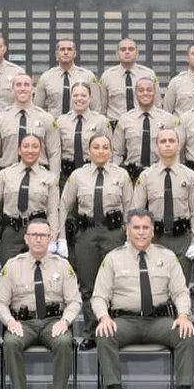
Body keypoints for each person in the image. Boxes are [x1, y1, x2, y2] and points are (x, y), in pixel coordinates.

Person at [91, 209, 194, 389]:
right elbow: (98, 297)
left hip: (159, 321)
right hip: (125, 321)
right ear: (127, 230)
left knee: (186, 334)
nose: (141, 233)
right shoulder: (113, 259)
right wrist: (104, 317)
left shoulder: (167, 257)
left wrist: (184, 315)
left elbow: (180, 292)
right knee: (104, 335)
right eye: (136, 228)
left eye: (145, 228)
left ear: (153, 231)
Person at [0, 218, 81, 389]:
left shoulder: (63, 265)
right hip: (23, 323)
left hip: (53, 321)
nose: (38, 239)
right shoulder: (13, 266)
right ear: (26, 238)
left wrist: (65, 321)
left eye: (43, 235)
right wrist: (9, 322)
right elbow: (0, 302)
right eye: (34, 235)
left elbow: (75, 301)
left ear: (50, 238)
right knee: (11, 342)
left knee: (64, 341)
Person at [61, 135, 132, 345]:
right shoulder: (77, 176)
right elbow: (64, 205)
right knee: (88, 285)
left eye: (105, 147)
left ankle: (113, 331)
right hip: (87, 233)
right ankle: (91, 332)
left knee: (116, 284)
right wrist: (59, 237)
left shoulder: (122, 175)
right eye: (96, 147)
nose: (101, 151)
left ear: (111, 151)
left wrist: (129, 237)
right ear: (89, 151)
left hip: (113, 234)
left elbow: (130, 207)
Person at [0, 133, 63, 265]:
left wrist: (52, 238)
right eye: (26, 146)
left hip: (38, 233)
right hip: (11, 232)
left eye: (35, 146)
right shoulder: (5, 175)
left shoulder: (50, 178)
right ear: (19, 150)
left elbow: (53, 211)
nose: (30, 150)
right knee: (10, 275)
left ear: (40, 151)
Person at [131, 126, 194, 280]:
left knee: (181, 289)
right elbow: (136, 212)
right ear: (156, 147)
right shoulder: (146, 177)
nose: (168, 144)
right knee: (157, 286)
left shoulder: (189, 176)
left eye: (172, 141)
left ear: (178, 144)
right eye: (163, 141)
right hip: (155, 239)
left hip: (182, 239)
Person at [0, 73, 61, 176]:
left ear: (32, 89)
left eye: (26, 85)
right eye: (18, 85)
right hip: (8, 176)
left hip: (38, 177)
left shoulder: (46, 119)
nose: (22, 88)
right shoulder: (0, 119)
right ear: (12, 90)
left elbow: (54, 153)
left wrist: (53, 181)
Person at [111, 76, 180, 180]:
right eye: (141, 90)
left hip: (160, 174)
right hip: (132, 175)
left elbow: (176, 151)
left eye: (149, 90)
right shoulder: (125, 119)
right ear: (136, 93)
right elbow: (117, 153)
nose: (145, 93)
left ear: (155, 93)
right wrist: (115, 176)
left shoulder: (168, 120)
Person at [55, 82, 111, 186]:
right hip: (67, 175)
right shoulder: (61, 121)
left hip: (92, 174)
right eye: (75, 95)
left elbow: (109, 151)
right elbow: (55, 151)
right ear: (71, 98)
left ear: (90, 98)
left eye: (83, 95)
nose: (79, 99)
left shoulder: (101, 121)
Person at [99, 37, 158, 125]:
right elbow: (102, 108)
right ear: (117, 54)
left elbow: (157, 105)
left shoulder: (149, 75)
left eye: (131, 49)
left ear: (137, 53)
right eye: (123, 49)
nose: (127, 52)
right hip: (115, 125)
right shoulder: (107, 76)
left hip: (142, 123)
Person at [35, 38, 100, 116]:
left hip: (80, 125)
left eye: (69, 49)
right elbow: (37, 109)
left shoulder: (88, 76)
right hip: (55, 125)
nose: (66, 52)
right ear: (56, 54)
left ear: (75, 53)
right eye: (62, 49)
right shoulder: (46, 78)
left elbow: (96, 109)